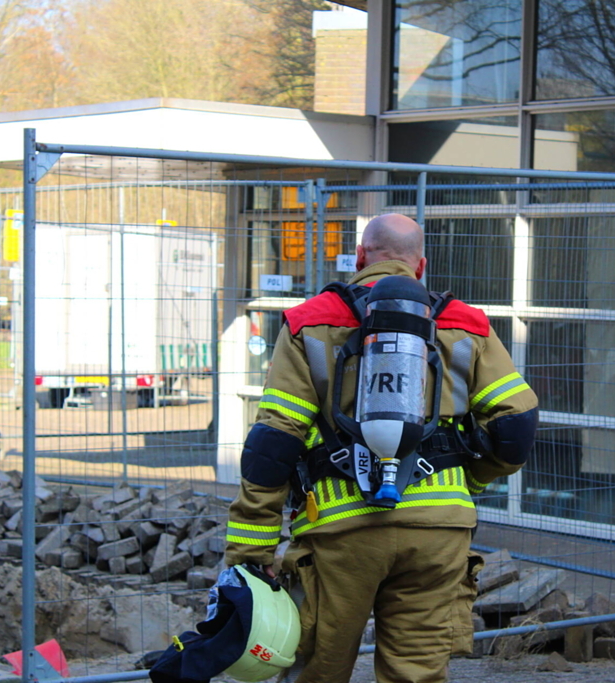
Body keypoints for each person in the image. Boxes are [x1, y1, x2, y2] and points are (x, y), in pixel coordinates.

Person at [225, 213, 538, 683]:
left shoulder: (308, 323)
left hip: (339, 530)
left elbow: (275, 440)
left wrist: (251, 547)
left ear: (359, 257)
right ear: (420, 266)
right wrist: (468, 476)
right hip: (439, 532)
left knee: (318, 671)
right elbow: (516, 426)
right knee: (417, 675)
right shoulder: (466, 324)